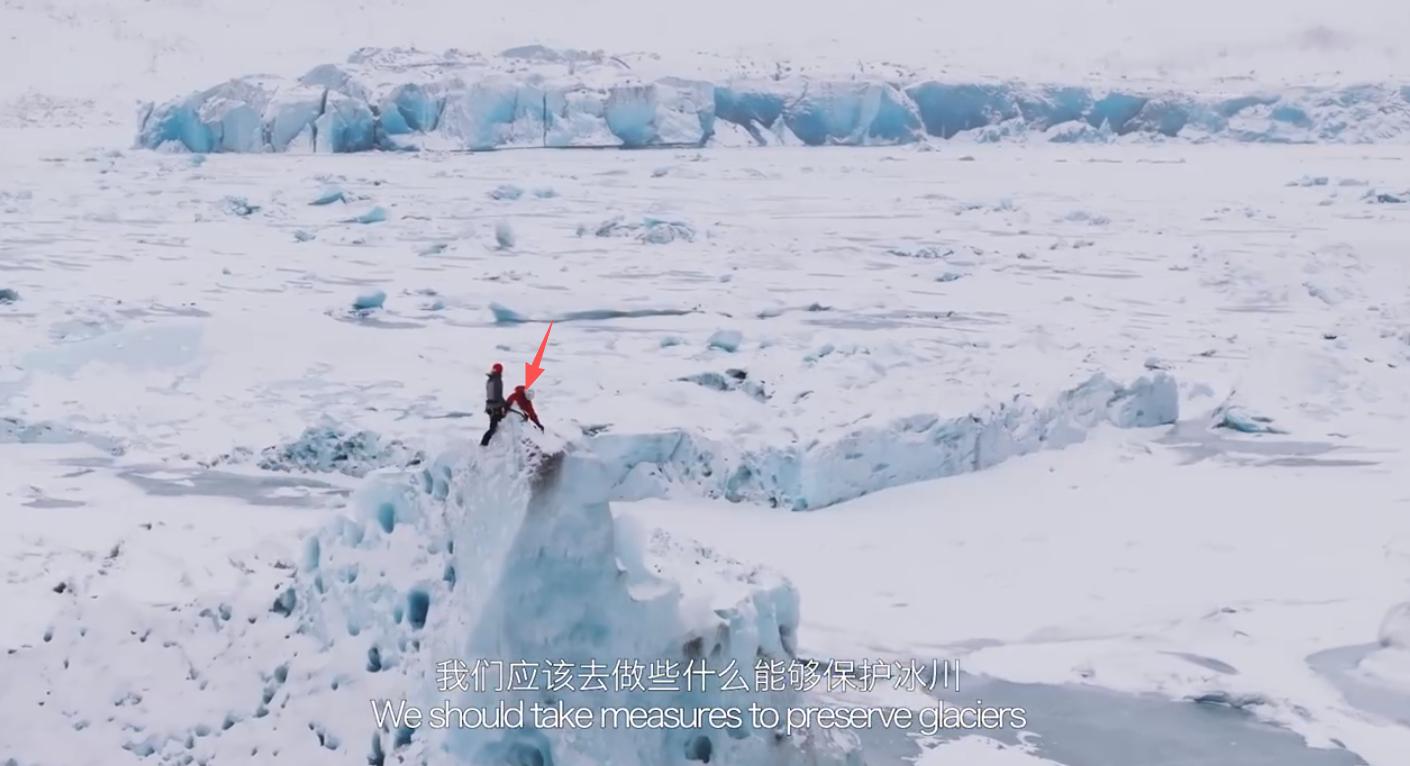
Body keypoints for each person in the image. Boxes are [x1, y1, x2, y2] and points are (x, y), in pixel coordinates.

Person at [480, 363, 506, 446]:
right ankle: (484, 444)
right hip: (495, 408)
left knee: (496, 427)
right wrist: (505, 404)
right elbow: (497, 395)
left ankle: (493, 444)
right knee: (494, 428)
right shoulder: (497, 380)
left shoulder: (490, 380)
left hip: (490, 407)